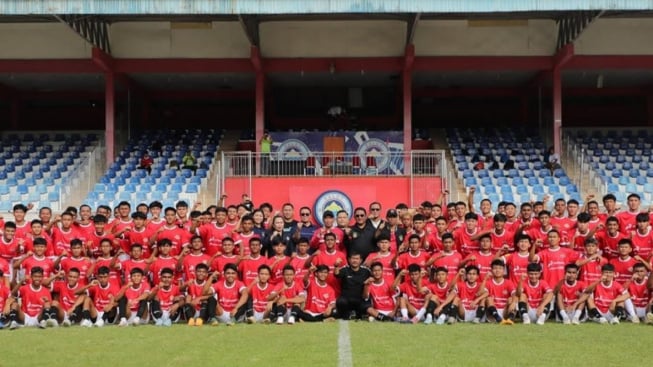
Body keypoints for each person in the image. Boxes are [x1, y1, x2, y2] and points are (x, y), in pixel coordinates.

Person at [334, 252, 371, 320]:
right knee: (340, 302)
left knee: (366, 304)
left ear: (361, 260)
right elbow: (337, 274)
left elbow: (374, 278)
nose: (355, 261)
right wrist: (336, 266)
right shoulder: (345, 269)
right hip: (346, 299)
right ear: (349, 260)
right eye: (353, 258)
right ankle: (345, 316)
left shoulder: (366, 271)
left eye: (357, 259)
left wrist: (370, 280)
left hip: (360, 299)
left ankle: (359, 314)